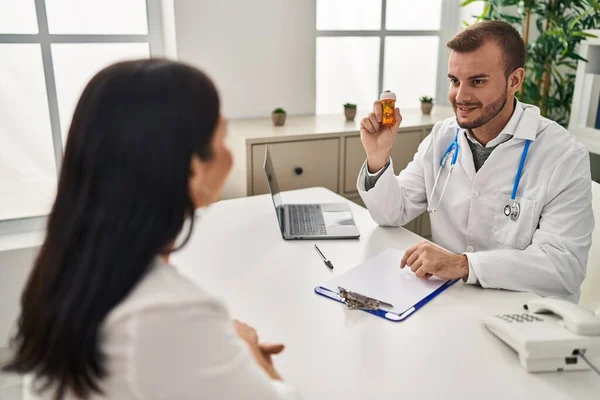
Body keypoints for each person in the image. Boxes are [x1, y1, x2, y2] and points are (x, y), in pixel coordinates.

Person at [3, 59, 299, 399]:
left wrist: (210, 343)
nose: (230, 156)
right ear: (193, 169)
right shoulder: (167, 311)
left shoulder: (69, 266)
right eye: (223, 137)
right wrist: (250, 355)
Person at [357, 20, 594, 302]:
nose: (461, 96)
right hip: (451, 301)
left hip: (526, 315)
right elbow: (391, 213)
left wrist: (464, 265)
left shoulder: (563, 155)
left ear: (515, 80)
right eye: (455, 81)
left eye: (477, 81)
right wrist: (377, 155)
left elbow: (563, 267)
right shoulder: (443, 137)